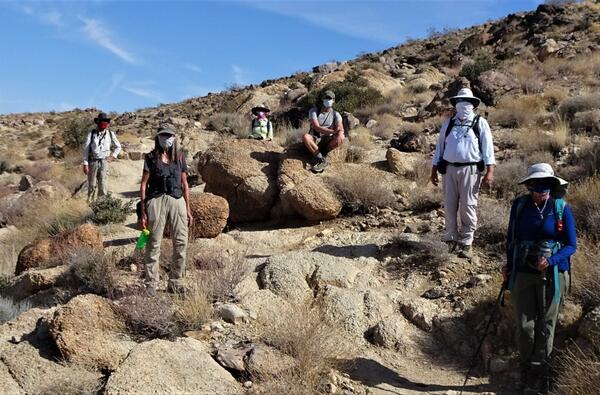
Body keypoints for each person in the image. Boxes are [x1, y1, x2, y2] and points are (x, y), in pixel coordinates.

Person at [504, 163, 576, 394]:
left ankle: (539, 371)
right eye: (536, 184)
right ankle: (526, 366)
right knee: (525, 326)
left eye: (546, 184)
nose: (541, 188)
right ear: (529, 185)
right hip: (524, 273)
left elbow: (571, 245)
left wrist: (552, 260)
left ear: (552, 185)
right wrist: (508, 266)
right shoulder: (520, 207)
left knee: (546, 324)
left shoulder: (560, 208)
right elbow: (511, 241)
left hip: (553, 273)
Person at [430, 87, 495, 258]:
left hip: (471, 170)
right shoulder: (449, 123)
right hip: (449, 169)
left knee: (468, 205)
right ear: (455, 104)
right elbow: (440, 147)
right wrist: (434, 169)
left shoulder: (480, 123)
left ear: (473, 105)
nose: (462, 105)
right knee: (450, 205)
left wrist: (490, 172)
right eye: (459, 102)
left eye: (466, 102)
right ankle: (451, 238)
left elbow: (488, 149)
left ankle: (467, 242)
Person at [139, 124, 193, 294]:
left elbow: (185, 184)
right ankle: (151, 284)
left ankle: (176, 281)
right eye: (163, 136)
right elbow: (143, 184)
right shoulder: (151, 157)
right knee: (154, 242)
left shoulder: (180, 158)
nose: (166, 139)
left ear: (174, 138)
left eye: (169, 136)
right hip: (156, 200)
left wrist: (188, 209)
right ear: (157, 138)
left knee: (181, 241)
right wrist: (143, 210)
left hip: (177, 200)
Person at [82, 112, 122, 202]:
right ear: (98, 122)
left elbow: (118, 147)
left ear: (107, 123)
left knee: (103, 184)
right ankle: (90, 204)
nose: (103, 123)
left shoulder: (110, 134)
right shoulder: (92, 134)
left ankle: (101, 205)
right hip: (93, 161)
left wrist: (113, 156)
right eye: (101, 121)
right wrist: (85, 163)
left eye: (105, 121)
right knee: (92, 184)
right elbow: (86, 149)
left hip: (104, 162)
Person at [302, 90, 344, 173]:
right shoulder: (314, 111)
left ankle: (324, 153)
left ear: (333, 100)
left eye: (330, 98)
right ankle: (321, 159)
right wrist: (333, 130)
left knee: (341, 136)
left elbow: (340, 128)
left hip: (327, 140)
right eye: (326, 98)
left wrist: (339, 132)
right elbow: (316, 127)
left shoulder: (336, 114)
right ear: (322, 99)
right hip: (315, 138)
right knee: (306, 137)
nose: (328, 100)